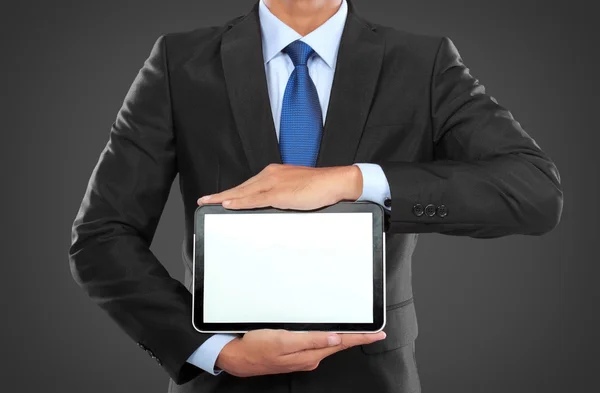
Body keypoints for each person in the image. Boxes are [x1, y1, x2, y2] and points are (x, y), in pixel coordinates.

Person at [68, 0, 563, 392]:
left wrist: (355, 181)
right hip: (221, 382)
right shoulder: (179, 62)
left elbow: (534, 192)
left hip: (372, 379)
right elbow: (101, 236)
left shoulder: (423, 62)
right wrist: (215, 351)